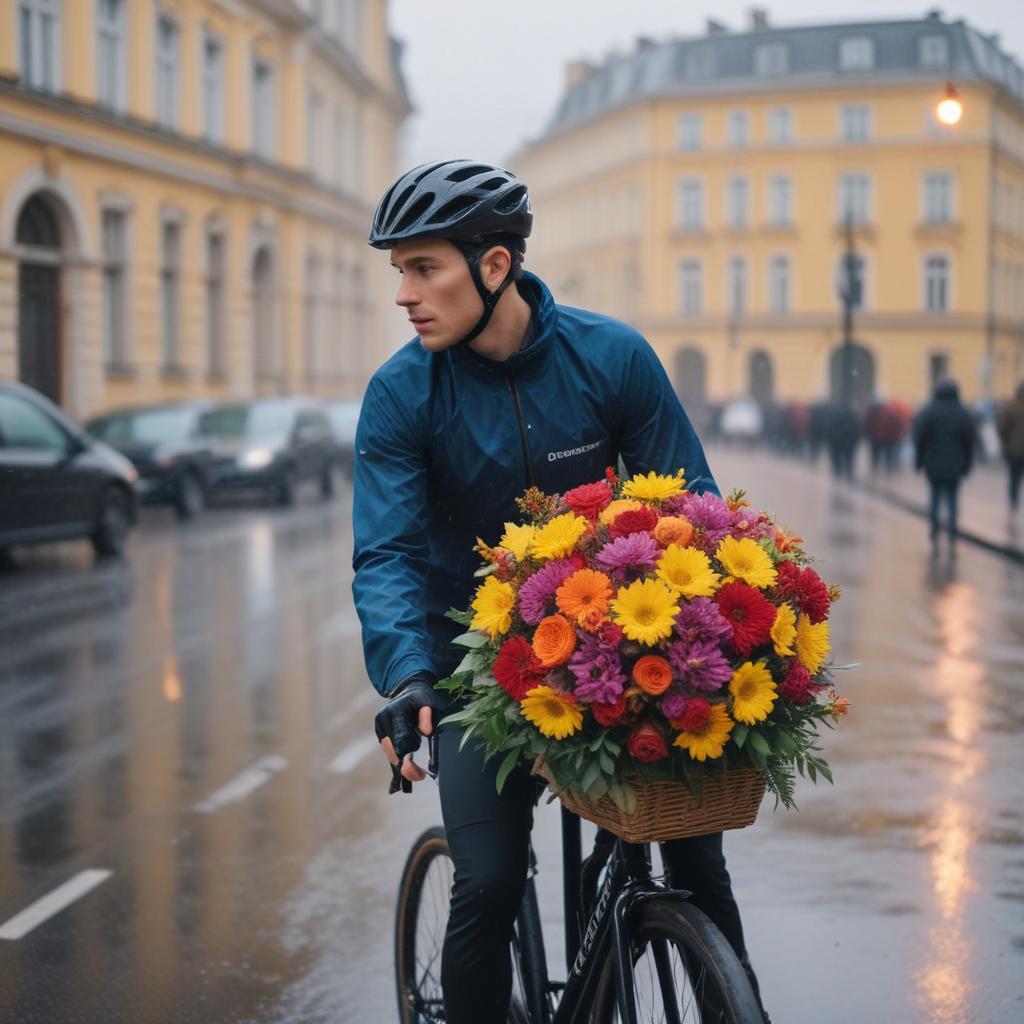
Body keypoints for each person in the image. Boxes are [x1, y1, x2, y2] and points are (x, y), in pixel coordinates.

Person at [352, 160, 768, 1023]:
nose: (405, 293)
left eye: (424, 267)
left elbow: (689, 504)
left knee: (697, 868)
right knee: (491, 881)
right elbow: (386, 553)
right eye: (400, 271)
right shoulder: (401, 393)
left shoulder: (610, 356)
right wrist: (406, 676)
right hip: (473, 668)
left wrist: (714, 638)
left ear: (494, 265)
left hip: (612, 649)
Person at [912, 378, 976, 545]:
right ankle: (952, 529)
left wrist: (918, 462)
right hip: (956, 463)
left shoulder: (929, 411)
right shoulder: (962, 412)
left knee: (935, 497)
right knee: (952, 499)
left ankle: (934, 527)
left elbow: (920, 439)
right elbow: (969, 442)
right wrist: (967, 464)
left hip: (933, 462)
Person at [997, 382, 1024, 513]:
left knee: (1014, 478)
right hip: (1015, 450)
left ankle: (1013, 503)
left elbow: (1001, 428)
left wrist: (1005, 442)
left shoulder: (1010, 407)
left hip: (1014, 451)